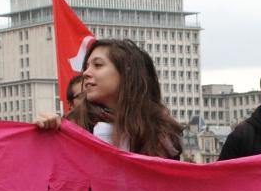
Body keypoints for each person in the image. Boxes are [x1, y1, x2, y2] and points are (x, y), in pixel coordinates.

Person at [36, 38, 182, 159]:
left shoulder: (162, 134)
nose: (86, 73)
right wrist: (44, 133)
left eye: (98, 65)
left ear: (127, 73)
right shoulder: (72, 125)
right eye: (86, 67)